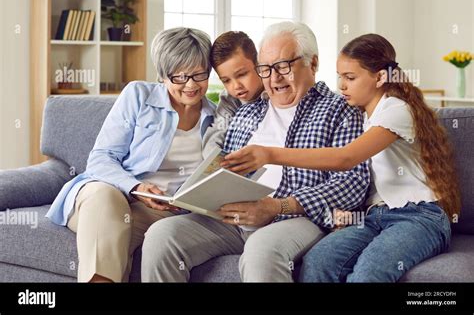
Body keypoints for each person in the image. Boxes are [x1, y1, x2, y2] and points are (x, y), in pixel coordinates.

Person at [140, 21, 370, 282]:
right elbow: (221, 160)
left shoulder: (340, 110)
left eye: (284, 66)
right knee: (162, 236)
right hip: (233, 217)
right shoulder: (247, 110)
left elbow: (352, 183)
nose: (274, 78)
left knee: (261, 251)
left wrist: (276, 206)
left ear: (313, 64)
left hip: (295, 218)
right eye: (266, 69)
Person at [222, 33, 461, 282]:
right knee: (319, 261)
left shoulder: (396, 110)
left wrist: (269, 154)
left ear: (380, 77)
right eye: (340, 77)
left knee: (370, 271)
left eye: (350, 77)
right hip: (374, 216)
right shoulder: (362, 114)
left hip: (419, 217)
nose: (341, 86)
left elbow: (346, 159)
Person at [46, 27, 216, 283]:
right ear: (162, 76)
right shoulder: (139, 95)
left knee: (115, 239)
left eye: (199, 74)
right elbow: (101, 158)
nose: (191, 85)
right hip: (108, 194)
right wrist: (136, 187)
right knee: (107, 201)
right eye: (179, 77)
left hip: (165, 212)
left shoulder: (216, 116)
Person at [202, 31, 264, 158]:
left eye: (241, 74)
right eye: (226, 80)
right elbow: (217, 131)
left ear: (259, 64)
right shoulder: (229, 99)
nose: (236, 86)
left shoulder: (276, 92)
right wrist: (216, 161)